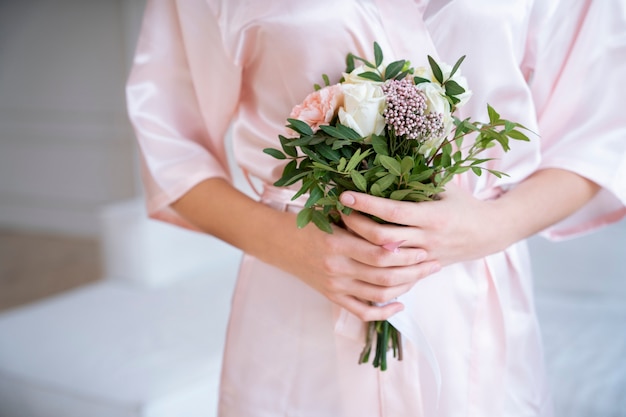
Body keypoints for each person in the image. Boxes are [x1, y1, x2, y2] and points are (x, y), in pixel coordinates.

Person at [126, 0, 626, 415]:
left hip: (472, 292)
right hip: (297, 282)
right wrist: (287, 245)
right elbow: (171, 146)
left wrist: (490, 227)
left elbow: (598, 137)